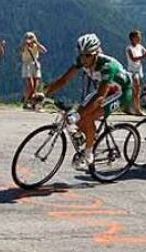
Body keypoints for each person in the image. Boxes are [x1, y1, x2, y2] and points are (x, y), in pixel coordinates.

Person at [37, 34, 133, 170]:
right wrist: (44, 93)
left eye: (88, 55)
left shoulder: (107, 67)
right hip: (105, 88)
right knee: (80, 117)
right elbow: (64, 79)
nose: (84, 59)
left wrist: (79, 115)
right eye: (81, 55)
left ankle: (88, 153)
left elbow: (100, 97)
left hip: (121, 92)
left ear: (96, 53)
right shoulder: (81, 61)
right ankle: (90, 135)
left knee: (86, 117)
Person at [19, 31, 47, 110]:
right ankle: (26, 101)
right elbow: (20, 51)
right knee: (30, 86)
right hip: (27, 64)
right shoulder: (25, 46)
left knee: (35, 86)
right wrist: (25, 44)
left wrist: (36, 43)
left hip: (35, 64)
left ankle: (33, 103)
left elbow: (44, 50)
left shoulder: (36, 46)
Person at [125, 29, 146, 115]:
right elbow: (133, 58)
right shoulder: (129, 48)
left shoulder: (140, 46)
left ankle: (131, 108)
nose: (140, 38)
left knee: (136, 91)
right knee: (136, 90)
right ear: (133, 38)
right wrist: (143, 56)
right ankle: (137, 109)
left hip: (139, 71)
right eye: (138, 37)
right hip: (132, 71)